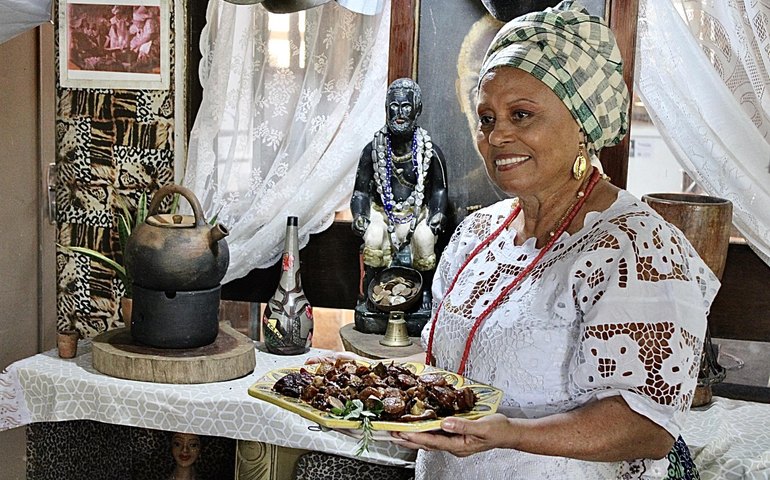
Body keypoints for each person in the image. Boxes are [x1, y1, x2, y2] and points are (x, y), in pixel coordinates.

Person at [311, 2, 719, 479]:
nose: (496, 135)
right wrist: (369, 394)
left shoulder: (637, 248)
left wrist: (512, 434)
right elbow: (447, 365)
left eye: (521, 115)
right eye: (487, 118)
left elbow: (648, 426)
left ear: (583, 124)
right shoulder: (476, 234)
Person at [350, 78, 448, 272]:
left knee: (425, 238)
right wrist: (360, 215)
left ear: (417, 110)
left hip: (416, 214)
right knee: (374, 236)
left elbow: (439, 190)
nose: (400, 113)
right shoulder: (373, 150)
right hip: (383, 214)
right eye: (394, 106)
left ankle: (424, 290)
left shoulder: (430, 151)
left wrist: (438, 214)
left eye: (406, 106)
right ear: (387, 109)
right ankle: (373, 287)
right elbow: (360, 193)